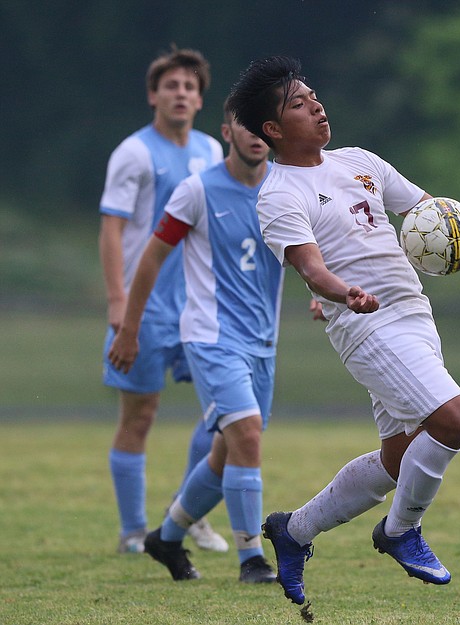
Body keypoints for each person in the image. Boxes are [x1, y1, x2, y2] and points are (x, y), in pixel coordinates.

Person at [226, 55, 460, 605]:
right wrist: (344, 293)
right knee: (455, 418)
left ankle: (293, 532)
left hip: (414, 315)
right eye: (298, 103)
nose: (315, 105)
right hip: (368, 327)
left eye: (314, 95)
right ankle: (400, 531)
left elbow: (437, 216)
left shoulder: (360, 161)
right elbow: (311, 268)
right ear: (272, 129)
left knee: (396, 458)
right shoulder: (279, 194)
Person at [107, 98, 283, 583]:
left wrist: (326, 293)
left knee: (226, 451)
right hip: (210, 337)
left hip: (262, 342)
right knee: (245, 434)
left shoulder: (285, 190)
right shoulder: (196, 191)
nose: (255, 136)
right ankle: (252, 559)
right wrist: (129, 327)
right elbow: (151, 258)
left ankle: (166, 537)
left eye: (263, 127)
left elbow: (314, 251)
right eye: (244, 125)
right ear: (226, 131)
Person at [99, 45, 228, 554]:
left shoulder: (211, 152)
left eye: (190, 87)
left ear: (200, 100)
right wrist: (118, 301)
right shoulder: (133, 153)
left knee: (225, 413)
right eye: (171, 85)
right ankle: (133, 532)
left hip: (197, 303)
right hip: (145, 306)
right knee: (140, 415)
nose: (181, 94)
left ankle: (187, 512)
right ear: (154, 95)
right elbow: (111, 230)